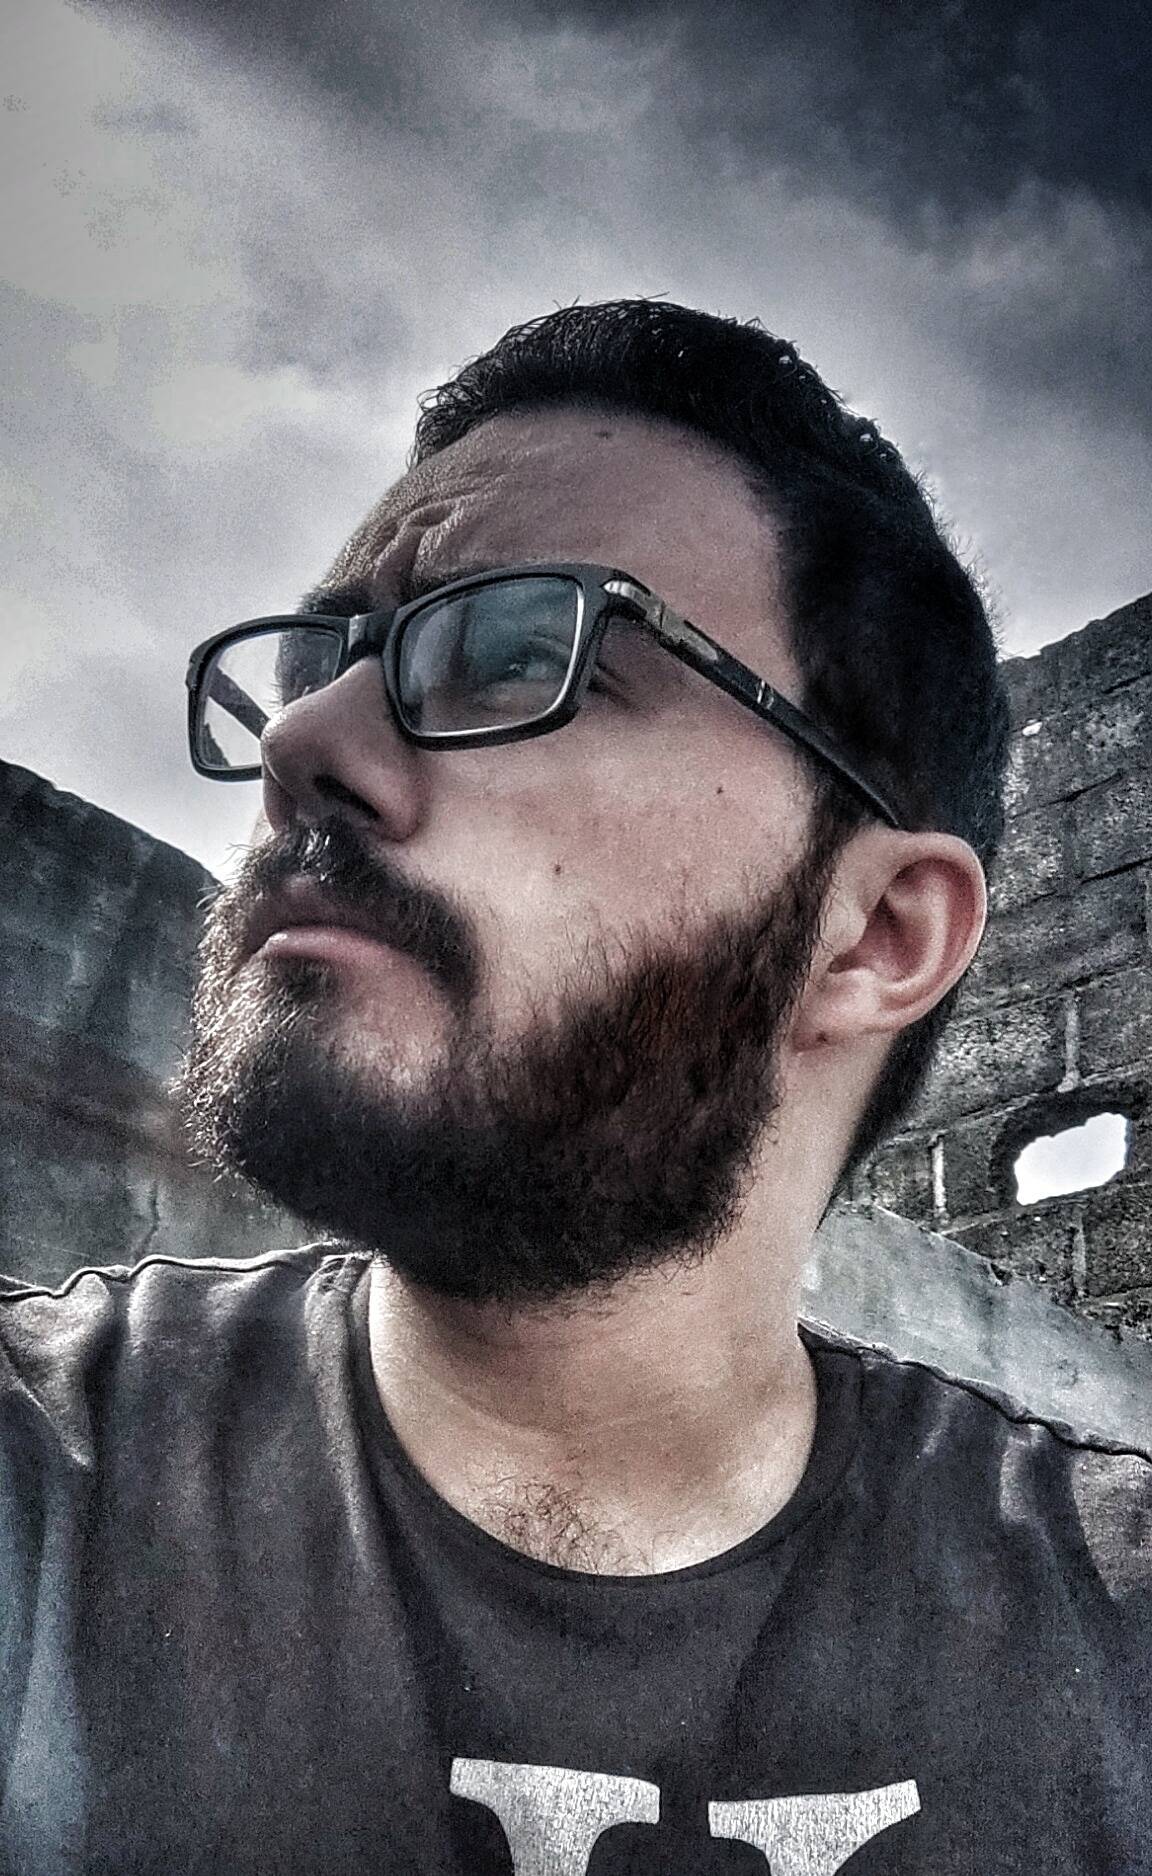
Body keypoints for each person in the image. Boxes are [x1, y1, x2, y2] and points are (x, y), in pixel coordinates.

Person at [1, 300, 1147, 1876]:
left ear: (876, 933)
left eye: (518, 653)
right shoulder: (51, 1484)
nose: (306, 740)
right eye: (321, 663)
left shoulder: (1112, 1644)